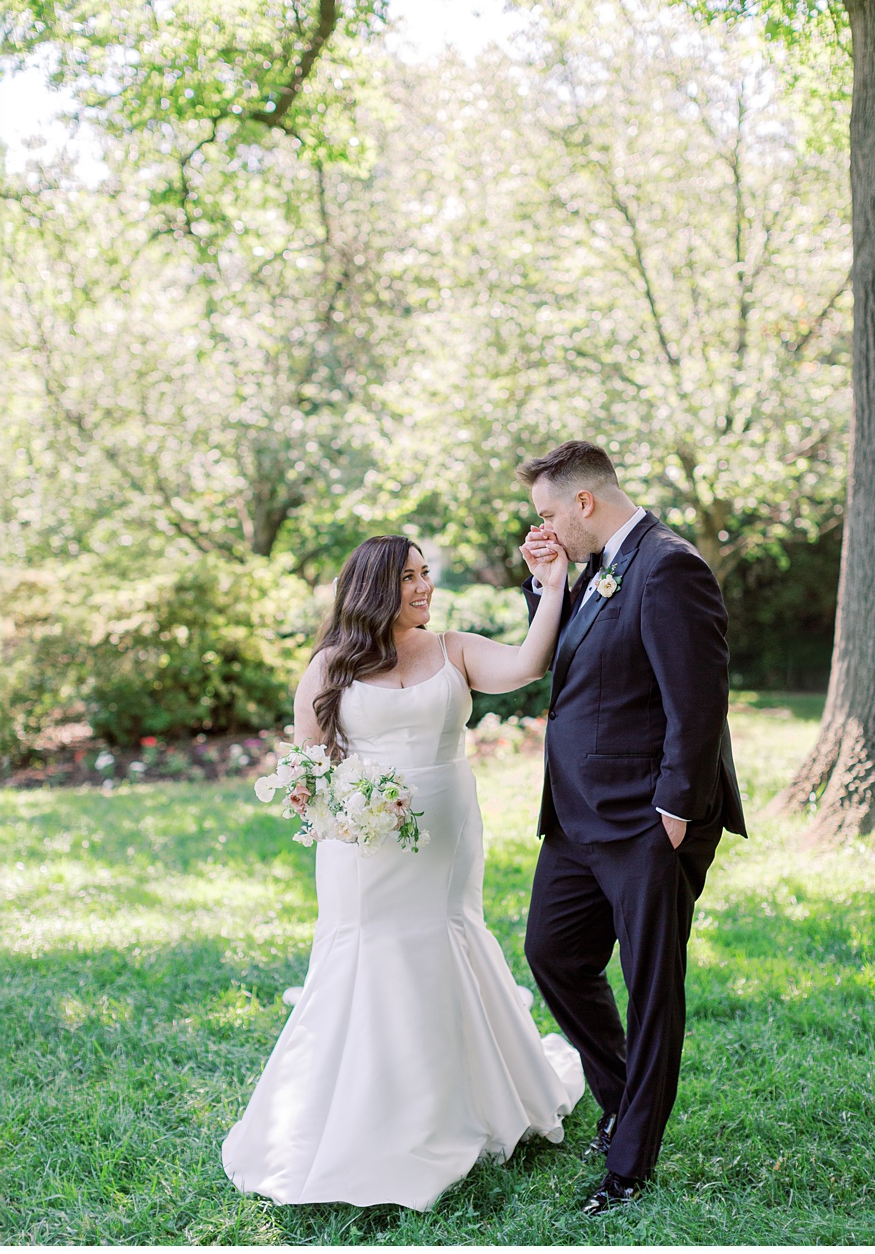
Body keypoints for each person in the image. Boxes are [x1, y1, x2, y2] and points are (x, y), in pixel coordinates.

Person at [223, 532, 585, 1210]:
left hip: (446, 841)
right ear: (373, 588)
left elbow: (530, 663)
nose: (424, 587)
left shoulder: (453, 647)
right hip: (359, 849)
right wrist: (346, 812)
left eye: (426, 574)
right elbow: (306, 771)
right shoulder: (330, 663)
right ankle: (354, 1114)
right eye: (409, 578)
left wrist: (552, 583)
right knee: (364, 952)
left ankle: (457, 1103)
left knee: (444, 939)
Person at [515, 441, 745, 1214]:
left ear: (584, 502)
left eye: (549, 513)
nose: (543, 526)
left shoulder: (669, 564)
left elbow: (699, 701)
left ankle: (629, 1163)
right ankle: (617, 1096)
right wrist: (545, 584)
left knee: (652, 990)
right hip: (577, 819)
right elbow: (576, 662)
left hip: (647, 820)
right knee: (552, 951)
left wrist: (675, 814)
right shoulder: (598, 566)